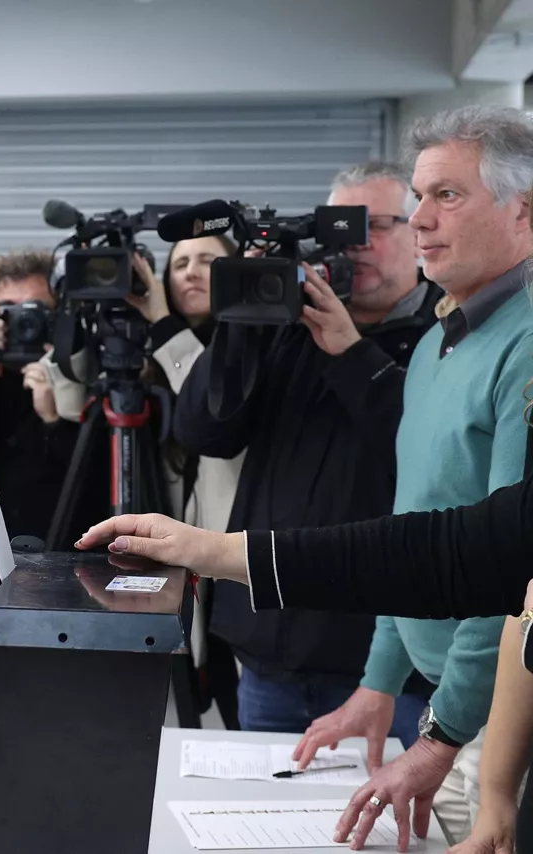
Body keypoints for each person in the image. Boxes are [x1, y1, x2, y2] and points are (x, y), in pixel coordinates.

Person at [84, 105, 533, 854]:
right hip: (401, 689)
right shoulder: (442, 348)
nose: (423, 220)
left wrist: (441, 734)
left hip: (490, 718)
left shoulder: (493, 343)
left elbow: (502, 569)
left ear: (523, 207)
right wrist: (380, 682)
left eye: (445, 197)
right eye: (417, 199)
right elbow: (412, 529)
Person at [173, 160, 440, 743]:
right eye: (337, 227)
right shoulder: (287, 329)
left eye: (372, 226)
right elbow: (202, 433)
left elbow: (427, 454)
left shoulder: (445, 331)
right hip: (270, 654)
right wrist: (241, 322)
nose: (353, 246)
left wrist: (349, 353)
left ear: (419, 231)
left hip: (387, 673)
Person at [127, 234, 243, 728]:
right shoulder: (149, 354)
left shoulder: (248, 342)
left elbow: (210, 406)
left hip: (232, 551)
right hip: (178, 549)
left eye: (209, 261)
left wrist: (162, 322)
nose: (192, 272)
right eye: (179, 263)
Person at [0, 249, 110, 550]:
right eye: (9, 311)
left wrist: (53, 418)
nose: (25, 323)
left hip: (73, 551)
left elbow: (101, 478)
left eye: (35, 310)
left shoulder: (89, 369)